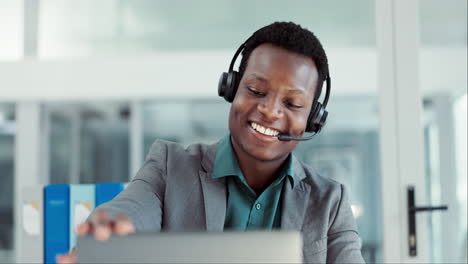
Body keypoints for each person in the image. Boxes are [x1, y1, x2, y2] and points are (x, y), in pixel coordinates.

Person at [57, 21, 364, 263]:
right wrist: (109, 225)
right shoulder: (169, 166)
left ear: (312, 120)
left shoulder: (330, 203)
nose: (270, 110)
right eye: (256, 91)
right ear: (231, 89)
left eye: (293, 104)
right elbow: (132, 208)